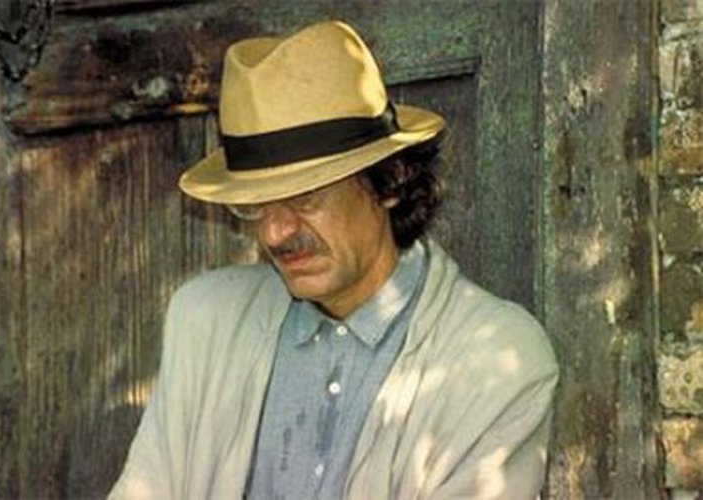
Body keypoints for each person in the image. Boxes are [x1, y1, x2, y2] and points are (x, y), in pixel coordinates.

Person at [109, 20, 558, 500]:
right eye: (256, 205)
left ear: (391, 179)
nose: (274, 233)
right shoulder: (204, 320)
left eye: (305, 198)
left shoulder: (499, 359)